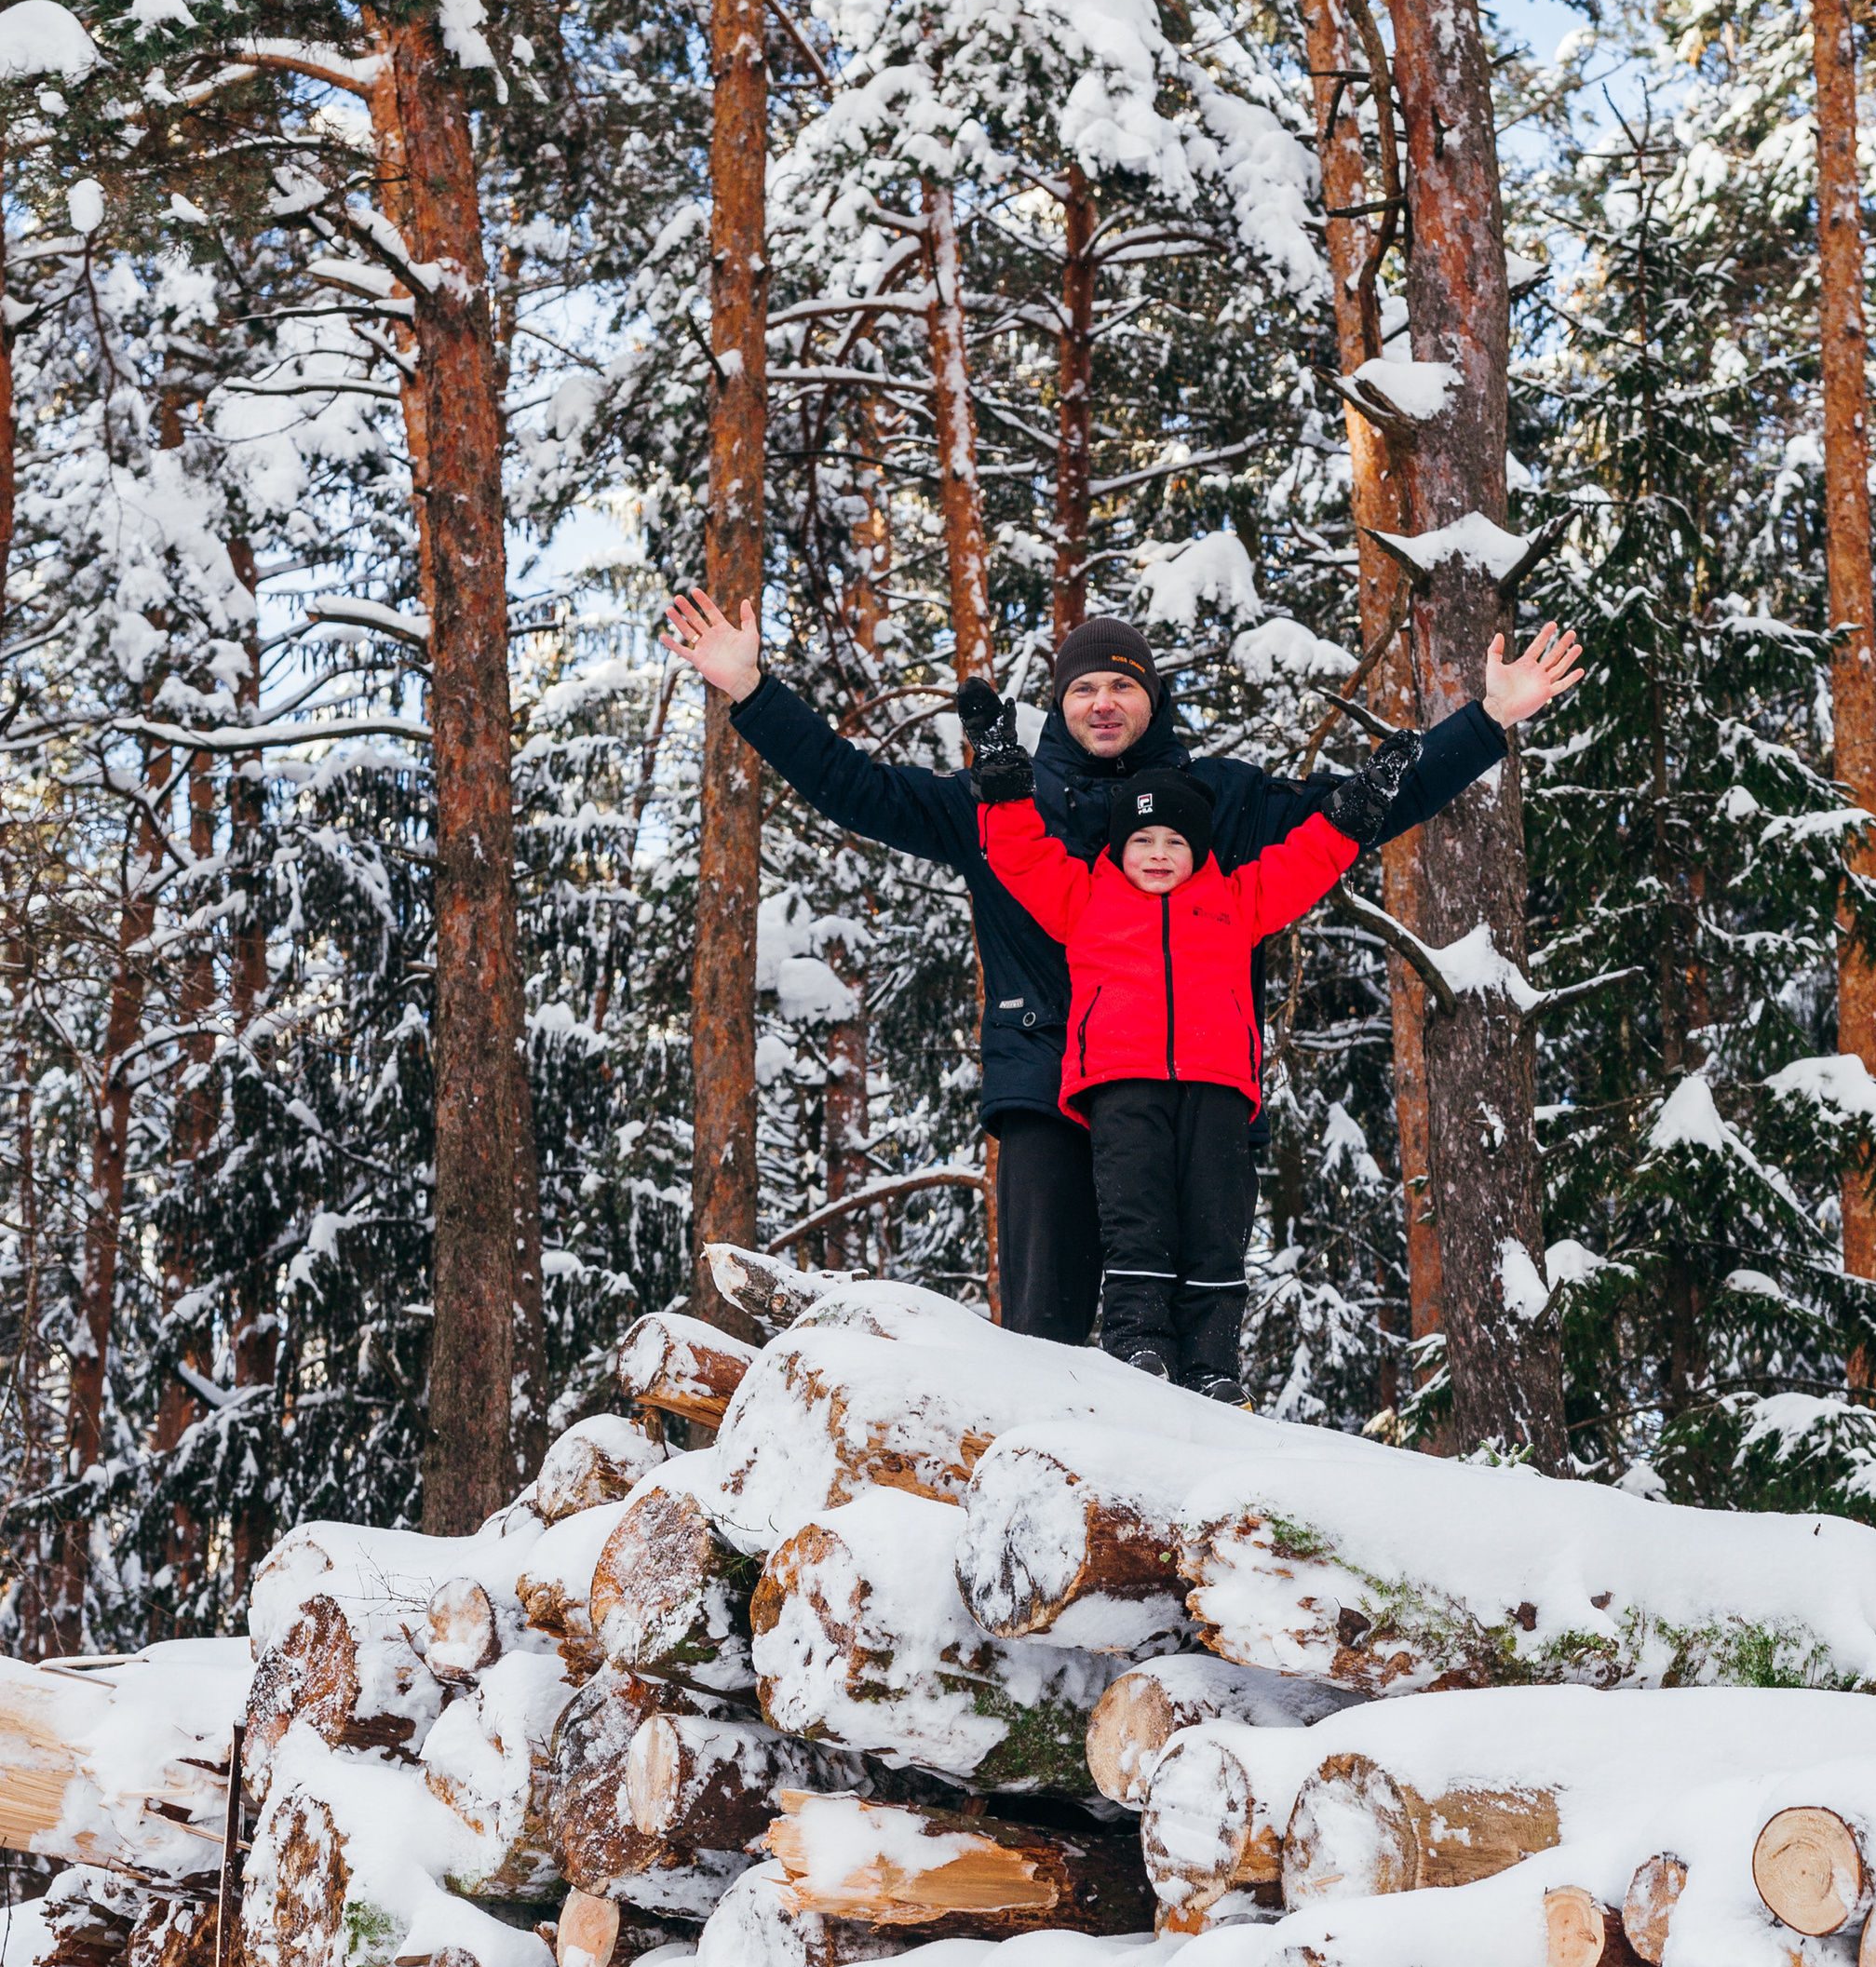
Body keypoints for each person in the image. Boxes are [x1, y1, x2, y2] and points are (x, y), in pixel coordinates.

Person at [655, 586, 1575, 1343]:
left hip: (1188, 1094)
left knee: (1191, 1326)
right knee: (1044, 1339)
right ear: (1059, 703)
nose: (1104, 702)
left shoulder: (1221, 802)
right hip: (1046, 1088)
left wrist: (1487, 720)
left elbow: (1362, 808)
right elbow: (855, 787)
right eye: (1085, 686)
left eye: (1123, 686)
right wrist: (753, 693)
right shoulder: (1001, 805)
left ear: (1152, 700)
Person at [957, 676, 1408, 1392]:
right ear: (1119, 847)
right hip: (1121, 1086)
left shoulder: (1236, 900)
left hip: (1217, 1088)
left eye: (1175, 840)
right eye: (1142, 840)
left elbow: (1302, 865)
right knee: (1135, 1221)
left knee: (1215, 1226)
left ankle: (1212, 1366)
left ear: (1199, 849)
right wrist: (1003, 775)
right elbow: (1021, 855)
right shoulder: (1086, 900)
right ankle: (1139, 1346)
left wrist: (1354, 812)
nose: (1159, 853)